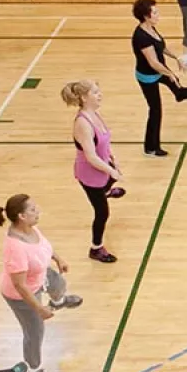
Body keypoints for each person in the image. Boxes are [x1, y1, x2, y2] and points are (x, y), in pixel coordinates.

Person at [0, 195, 82, 372]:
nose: (38, 211)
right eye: (33, 210)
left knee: (59, 283)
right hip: (22, 294)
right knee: (35, 332)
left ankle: (58, 302)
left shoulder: (31, 228)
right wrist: (39, 308)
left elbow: (44, 246)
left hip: (39, 275)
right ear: (21, 216)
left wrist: (58, 259)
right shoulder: (15, 248)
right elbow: (20, 285)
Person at [64, 81, 125, 264]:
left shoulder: (95, 114)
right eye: (95, 92)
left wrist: (112, 158)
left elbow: (104, 141)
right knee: (102, 212)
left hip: (103, 164)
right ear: (84, 98)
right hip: (91, 173)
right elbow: (91, 156)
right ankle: (96, 248)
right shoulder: (83, 124)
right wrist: (111, 170)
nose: (100, 95)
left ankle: (106, 191)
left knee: (111, 177)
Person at [131, 0, 187, 158]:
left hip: (158, 70)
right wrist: (169, 73)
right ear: (146, 16)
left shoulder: (151, 28)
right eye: (155, 12)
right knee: (155, 111)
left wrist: (176, 58)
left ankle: (179, 93)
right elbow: (153, 63)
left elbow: (161, 47)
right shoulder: (141, 37)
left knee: (173, 80)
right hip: (148, 76)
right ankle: (151, 148)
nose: (158, 15)